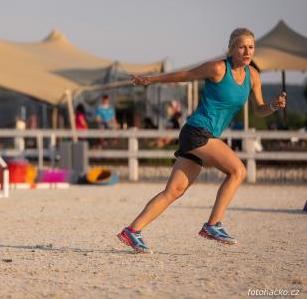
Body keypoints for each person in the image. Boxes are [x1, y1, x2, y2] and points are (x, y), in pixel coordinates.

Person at [117, 28, 287, 254]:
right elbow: (183, 76)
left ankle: (132, 231)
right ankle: (212, 225)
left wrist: (274, 106)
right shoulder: (218, 68)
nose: (247, 51)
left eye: (251, 47)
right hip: (198, 131)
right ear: (231, 48)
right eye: (242, 47)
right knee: (238, 171)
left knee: (174, 191)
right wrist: (150, 80)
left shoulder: (253, 76)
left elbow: (260, 109)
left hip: (202, 135)